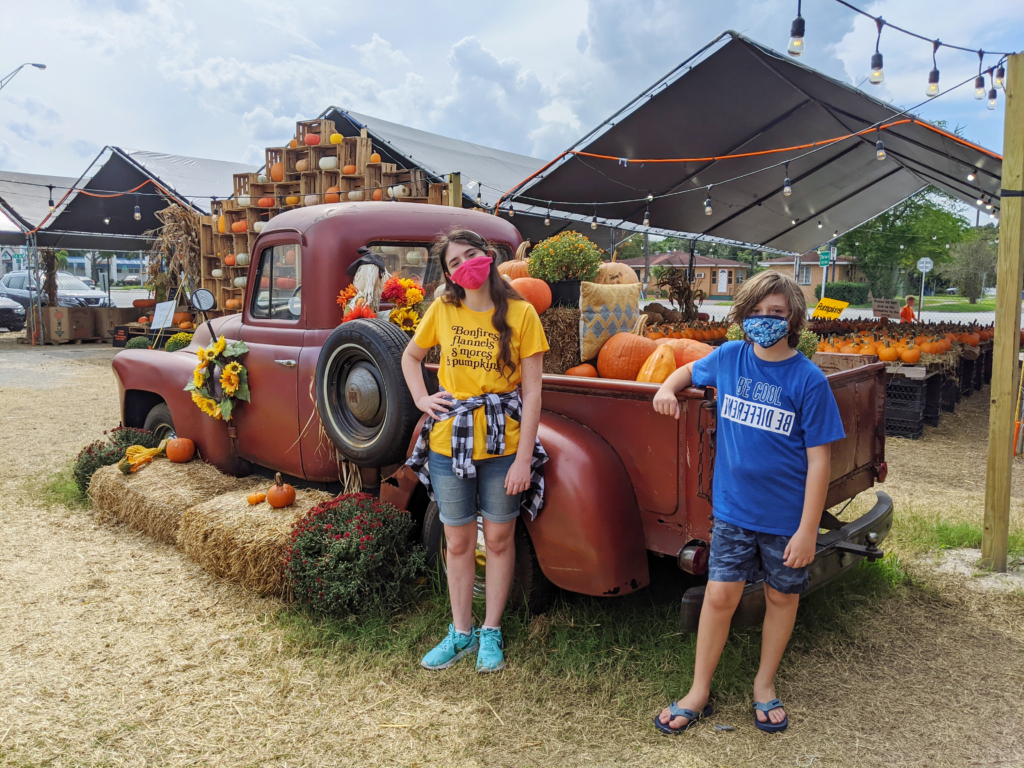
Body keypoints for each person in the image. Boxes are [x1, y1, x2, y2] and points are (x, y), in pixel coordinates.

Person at [651, 270, 845, 735]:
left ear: (793, 318)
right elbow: (684, 369)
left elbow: (820, 463)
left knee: (781, 596)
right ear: (742, 316)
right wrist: (665, 388)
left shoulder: (809, 381)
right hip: (734, 513)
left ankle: (764, 684)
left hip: (785, 520)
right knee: (720, 597)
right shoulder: (730, 357)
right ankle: (699, 690)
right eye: (755, 312)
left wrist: (807, 529)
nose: (764, 320)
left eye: (775, 313)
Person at [402, 229, 549, 674]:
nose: (466, 264)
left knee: (500, 539)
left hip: (504, 442)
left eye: (472, 254)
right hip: (451, 440)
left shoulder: (522, 314)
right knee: (459, 537)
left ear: (488, 257)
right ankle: (460, 631)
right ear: (447, 274)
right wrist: (421, 399)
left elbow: (534, 391)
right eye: (454, 262)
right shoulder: (443, 310)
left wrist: (524, 458)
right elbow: (411, 357)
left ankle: (491, 631)